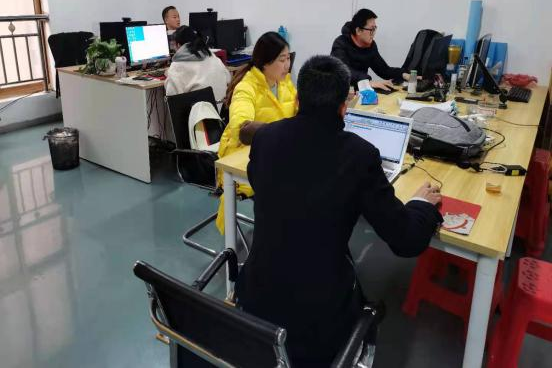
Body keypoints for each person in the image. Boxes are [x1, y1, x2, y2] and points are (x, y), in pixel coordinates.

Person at [235, 55, 443, 368]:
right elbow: (406, 240)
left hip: (254, 301)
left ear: (298, 99)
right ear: (344, 107)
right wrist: (421, 204)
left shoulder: (266, 137)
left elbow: (263, 184)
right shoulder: (360, 155)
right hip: (316, 326)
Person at [215, 31, 297, 233]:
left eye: (288, 58)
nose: (287, 65)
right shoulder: (246, 87)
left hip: (277, 150)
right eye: (282, 60)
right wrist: (285, 132)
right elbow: (242, 129)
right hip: (244, 154)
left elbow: (299, 111)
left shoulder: (284, 82)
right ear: (265, 63)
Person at [331, 8, 411, 91]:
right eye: (371, 29)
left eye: (375, 29)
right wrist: (367, 81)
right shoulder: (341, 43)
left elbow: (383, 70)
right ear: (358, 31)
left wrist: (403, 74)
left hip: (360, 91)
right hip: (339, 91)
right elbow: (342, 70)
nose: (373, 33)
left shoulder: (370, 46)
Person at [165, 25, 230, 102]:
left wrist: (169, 74)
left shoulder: (177, 65)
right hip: (219, 106)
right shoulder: (212, 56)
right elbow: (228, 78)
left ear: (178, 45)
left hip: (197, 109)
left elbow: (171, 95)